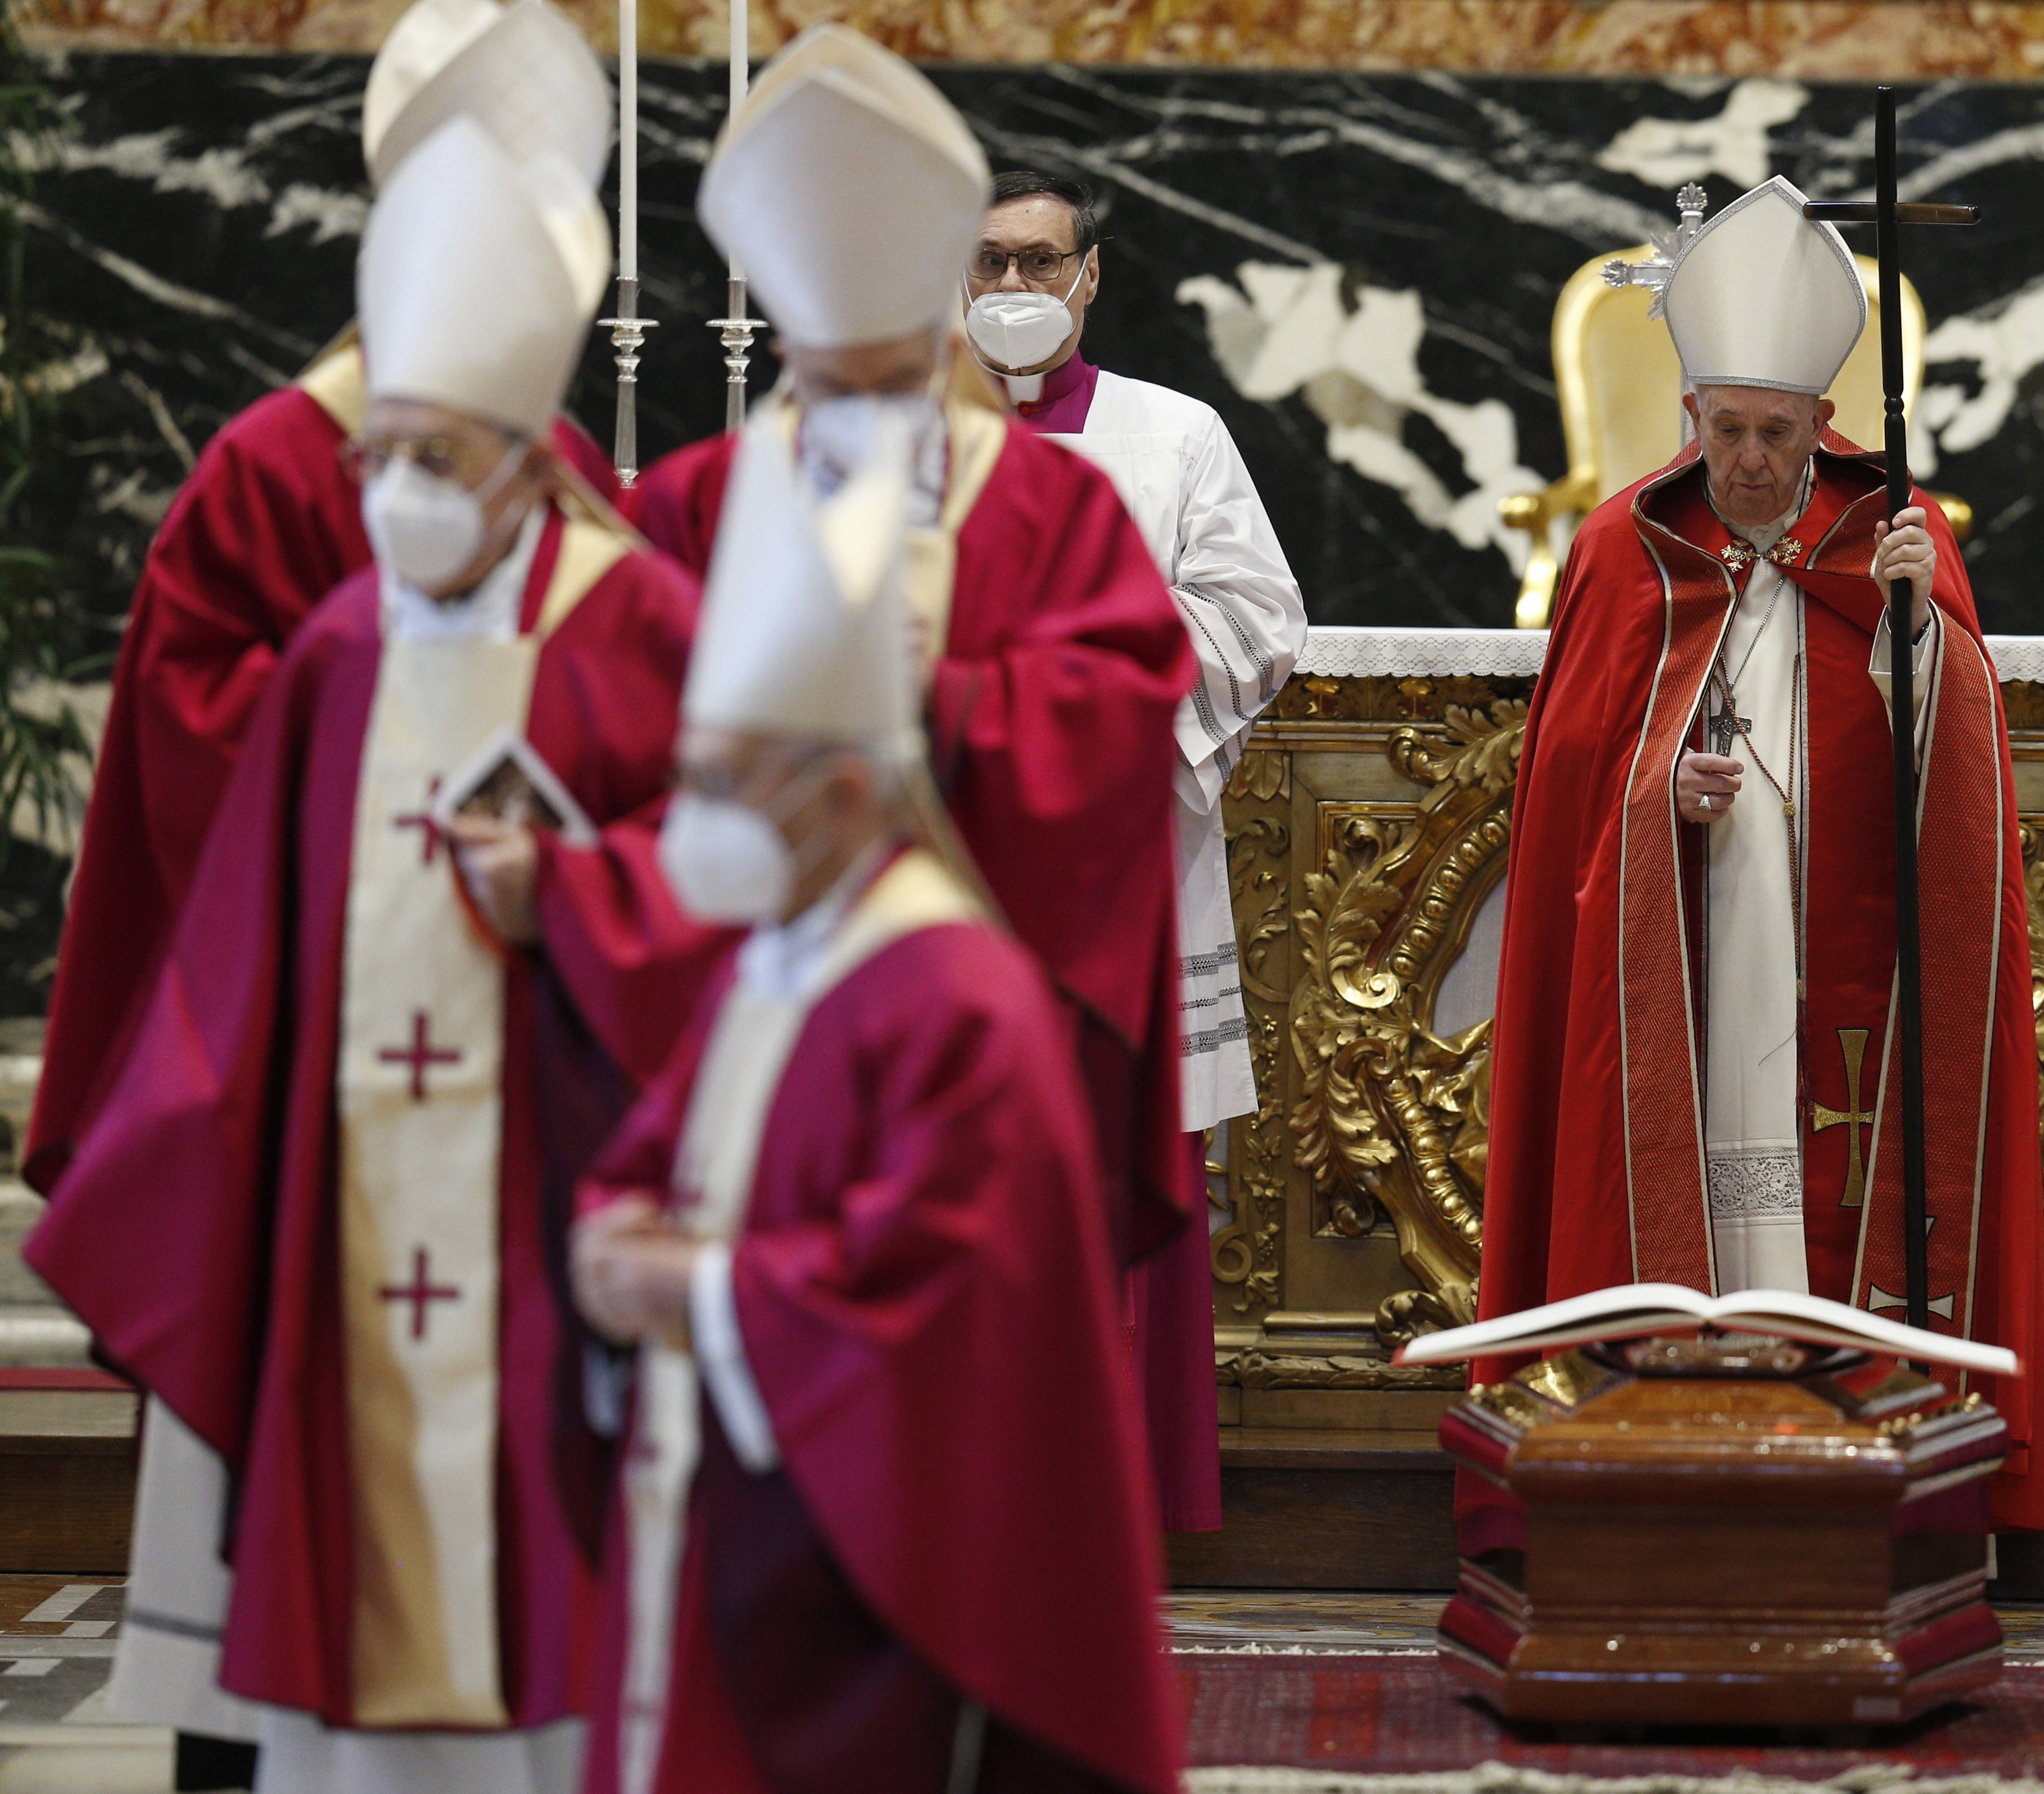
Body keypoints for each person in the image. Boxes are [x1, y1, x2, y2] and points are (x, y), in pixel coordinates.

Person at [24, 119, 721, 1792]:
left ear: (518, 456)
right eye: (376, 454)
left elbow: (727, 889)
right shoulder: (343, 644)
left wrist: (578, 898)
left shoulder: (636, 620)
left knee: (558, 1643)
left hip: (553, 1180)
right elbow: (234, 938)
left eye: (428, 454)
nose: (390, 491)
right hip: (354, 1193)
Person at [568, 399, 1178, 1794]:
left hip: (877, 1568)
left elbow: (930, 1298)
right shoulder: (776, 956)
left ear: (846, 791)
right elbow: (658, 1153)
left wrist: (692, 1293)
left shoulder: (956, 996)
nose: (693, 823)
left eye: (727, 785)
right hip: (728, 1500)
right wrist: (613, 1229)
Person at [1472, 176, 2044, 1557]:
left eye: (1773, 434)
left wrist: (1918, 632)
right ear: (1688, 419)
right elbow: (1565, 782)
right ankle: (1658, 1466)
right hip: (1685, 943)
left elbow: (1958, 765)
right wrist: (1655, 787)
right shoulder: (1622, 544)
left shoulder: (1893, 533)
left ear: (1818, 425)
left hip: (1842, 947)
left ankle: (1860, 1480)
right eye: (1724, 430)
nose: (1745, 461)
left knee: (1834, 1178)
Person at [26, 0, 617, 1202]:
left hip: (529, 984)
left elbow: (638, 696)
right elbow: (187, 721)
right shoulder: (275, 459)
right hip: (313, 989)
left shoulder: (561, 467)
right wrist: (411, 753)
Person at [636, 29, 1196, 1272]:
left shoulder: (1055, 512)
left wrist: (931, 698)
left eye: (887, 376)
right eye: (825, 376)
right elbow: (615, 735)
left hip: (981, 985)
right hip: (743, 982)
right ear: (784, 349)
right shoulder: (692, 503)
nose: (859, 410)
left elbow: (1112, 720)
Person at [961, 167, 1308, 1532]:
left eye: (1039, 265)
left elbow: (1256, 617)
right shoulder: (891, 438)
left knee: (1113, 1182)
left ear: (1090, 277)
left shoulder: (1174, 436)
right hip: (942, 873)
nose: (1011, 293)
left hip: (1122, 874)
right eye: (986, 265)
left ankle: (1102, 1509)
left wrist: (1085, 667)